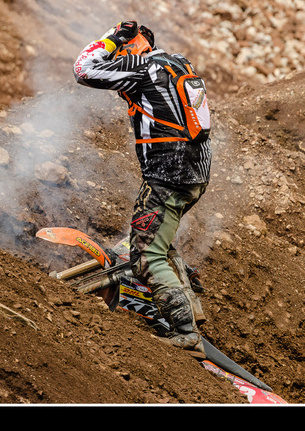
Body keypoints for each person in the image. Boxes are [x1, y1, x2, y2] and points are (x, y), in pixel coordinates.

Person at [72, 21, 213, 358]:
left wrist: (111, 39)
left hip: (168, 174)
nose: (118, 56)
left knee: (145, 256)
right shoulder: (178, 62)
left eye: (122, 49)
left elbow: (83, 68)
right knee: (159, 242)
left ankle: (185, 332)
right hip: (196, 172)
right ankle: (188, 307)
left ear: (132, 46)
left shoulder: (142, 65)